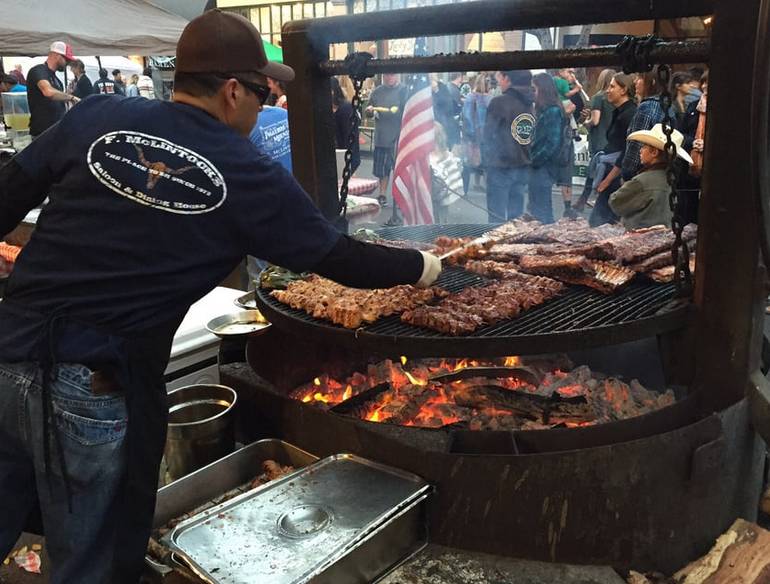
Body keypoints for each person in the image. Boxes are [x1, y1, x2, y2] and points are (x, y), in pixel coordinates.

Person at [0, 10, 441, 583]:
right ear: (233, 91)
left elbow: (9, 192)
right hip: (93, 385)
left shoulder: (100, 114)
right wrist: (424, 266)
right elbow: (338, 258)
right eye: (262, 92)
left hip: (7, 353)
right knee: (96, 560)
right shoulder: (245, 172)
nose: (264, 104)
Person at [609, 123, 693, 230]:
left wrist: (626, 186)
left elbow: (615, 202)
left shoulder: (642, 181)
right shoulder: (671, 177)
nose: (640, 150)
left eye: (644, 147)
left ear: (654, 152)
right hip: (664, 235)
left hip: (640, 236)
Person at [482, 69, 535, 221]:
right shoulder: (530, 103)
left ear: (508, 79)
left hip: (500, 168)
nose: (499, 81)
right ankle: (513, 243)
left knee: (496, 219)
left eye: (501, 77)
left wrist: (486, 162)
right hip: (522, 166)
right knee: (515, 217)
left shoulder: (499, 102)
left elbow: (488, 136)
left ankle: (496, 244)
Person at [589, 73, 637, 226]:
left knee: (600, 221)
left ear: (623, 90)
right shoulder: (618, 112)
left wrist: (608, 179)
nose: (608, 90)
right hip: (610, 170)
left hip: (616, 175)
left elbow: (627, 150)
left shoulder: (629, 114)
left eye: (612, 87)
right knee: (602, 220)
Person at [528, 73, 567, 224]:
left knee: (542, 210)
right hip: (539, 167)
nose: (533, 93)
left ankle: (546, 240)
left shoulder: (553, 111)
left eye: (534, 89)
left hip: (544, 168)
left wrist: (534, 160)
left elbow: (552, 143)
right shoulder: (544, 110)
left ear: (543, 90)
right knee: (537, 208)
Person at [366, 73, 405, 207]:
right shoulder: (377, 92)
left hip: (399, 137)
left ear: (398, 76)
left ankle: (400, 197)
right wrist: (370, 111)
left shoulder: (404, 91)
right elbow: (369, 112)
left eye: (392, 75)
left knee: (400, 170)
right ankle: (382, 194)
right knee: (382, 170)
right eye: (386, 75)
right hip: (382, 136)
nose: (389, 78)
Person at [26, 41, 79, 137]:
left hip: (56, 131)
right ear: (57, 55)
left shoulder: (57, 80)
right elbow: (48, 92)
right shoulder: (38, 70)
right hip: (42, 133)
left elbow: (58, 100)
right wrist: (71, 97)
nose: (67, 63)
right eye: (66, 60)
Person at [461, 72, 490, 194]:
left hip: (472, 135)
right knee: (486, 163)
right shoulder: (490, 99)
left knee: (468, 163)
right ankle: (488, 187)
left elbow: (466, 117)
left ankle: (465, 189)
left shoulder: (470, 98)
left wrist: (470, 134)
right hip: (486, 135)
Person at [429, 122, 463, 224]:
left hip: (442, 196)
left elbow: (453, 176)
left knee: (441, 219)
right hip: (427, 197)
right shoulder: (424, 157)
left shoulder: (448, 158)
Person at [331, 76, 360, 174]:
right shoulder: (325, 109)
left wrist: (350, 164)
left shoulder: (345, 109)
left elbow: (349, 138)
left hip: (345, 156)